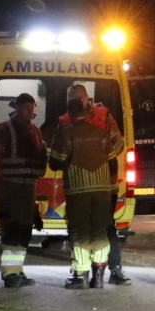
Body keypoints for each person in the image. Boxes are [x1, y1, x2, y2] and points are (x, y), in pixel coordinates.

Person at [48, 95, 123, 289]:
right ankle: (98, 276)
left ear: (71, 114)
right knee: (100, 231)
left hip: (78, 189)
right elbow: (112, 159)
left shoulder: (66, 132)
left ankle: (80, 275)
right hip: (102, 190)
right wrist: (111, 186)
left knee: (79, 231)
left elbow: (56, 161)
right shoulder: (101, 131)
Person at [0, 93, 47, 289]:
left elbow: (39, 160)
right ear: (18, 108)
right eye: (28, 109)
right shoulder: (3, 130)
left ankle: (17, 270)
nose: (31, 113)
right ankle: (9, 273)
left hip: (28, 187)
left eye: (33, 109)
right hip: (10, 186)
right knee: (12, 230)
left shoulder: (35, 132)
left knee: (24, 230)